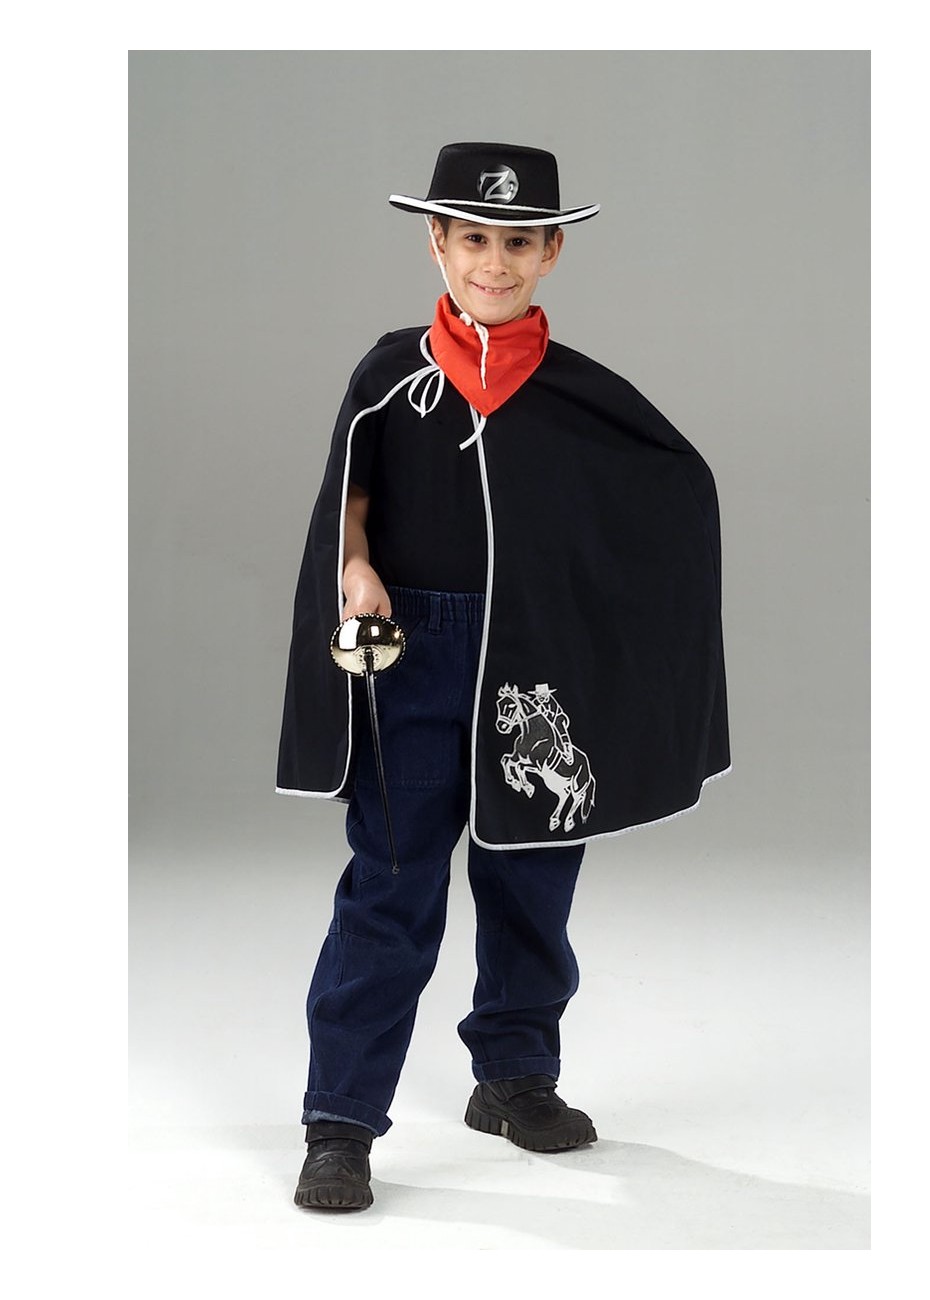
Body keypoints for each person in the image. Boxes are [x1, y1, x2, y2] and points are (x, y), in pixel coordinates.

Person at [276, 142, 731, 1211]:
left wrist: (617, 623)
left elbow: (669, 496)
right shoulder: (390, 377)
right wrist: (356, 570)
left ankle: (515, 1073)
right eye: (473, 238)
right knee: (390, 885)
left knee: (533, 876)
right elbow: (350, 499)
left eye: (518, 243)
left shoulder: (579, 396)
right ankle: (341, 1119)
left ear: (550, 253)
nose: (494, 262)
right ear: (437, 242)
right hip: (415, 654)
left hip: (540, 667)